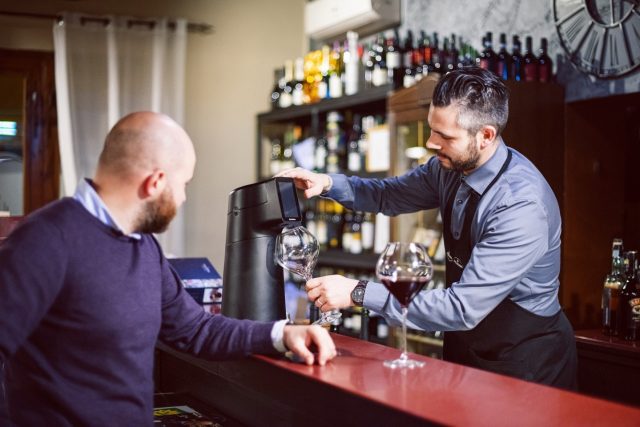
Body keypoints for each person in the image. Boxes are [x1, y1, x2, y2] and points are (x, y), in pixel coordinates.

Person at [0, 112, 336, 426]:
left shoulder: (142, 245)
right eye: (183, 184)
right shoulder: (45, 239)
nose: (183, 198)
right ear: (155, 182)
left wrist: (283, 334)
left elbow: (196, 330)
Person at [279, 66, 577, 389]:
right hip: (466, 347)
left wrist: (358, 292)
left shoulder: (520, 205)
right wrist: (325, 183)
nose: (431, 144)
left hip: (524, 363)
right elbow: (387, 194)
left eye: (445, 137)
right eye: (431, 130)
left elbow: (462, 307)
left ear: (486, 135)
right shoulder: (447, 168)